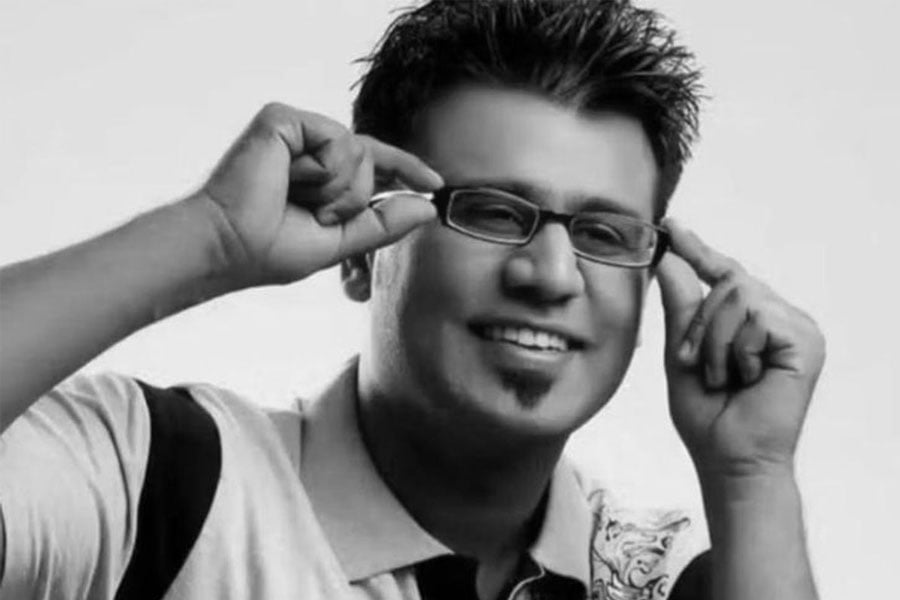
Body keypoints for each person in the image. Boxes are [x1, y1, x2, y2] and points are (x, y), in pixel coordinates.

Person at [0, 1, 826, 599]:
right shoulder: (153, 481)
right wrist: (209, 237)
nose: (552, 274)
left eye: (604, 234)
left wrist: (752, 476)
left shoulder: (672, 581)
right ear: (364, 251)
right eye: (492, 212)